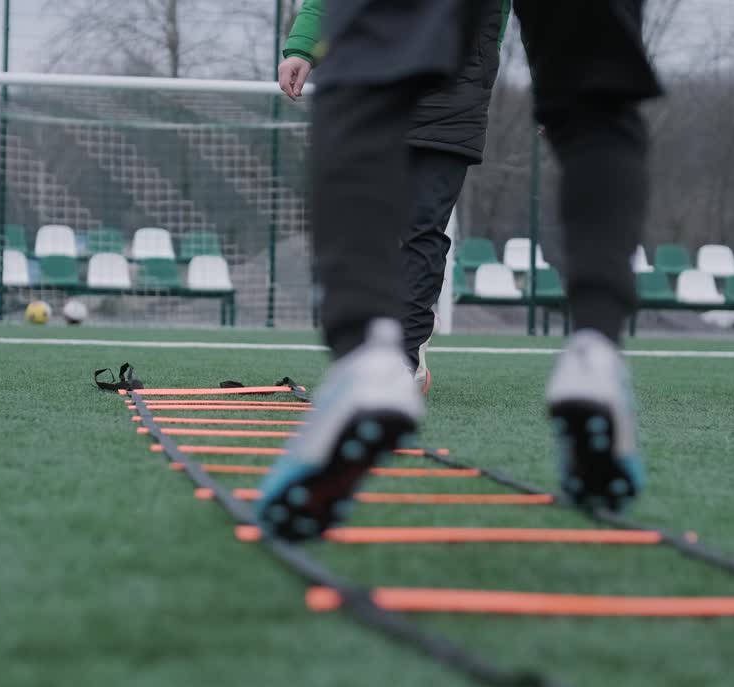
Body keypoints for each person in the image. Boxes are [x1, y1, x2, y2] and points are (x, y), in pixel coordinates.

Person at [257, 0, 663, 542]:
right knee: (597, 93)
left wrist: (306, 39)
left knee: (367, 80)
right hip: (470, 80)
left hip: (443, 76)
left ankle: (367, 360)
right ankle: (595, 355)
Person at [277, 0, 511, 395]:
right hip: (370, 74)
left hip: (455, 85)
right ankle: (384, 336)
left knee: (423, 225)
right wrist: (303, 45)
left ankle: (403, 359)